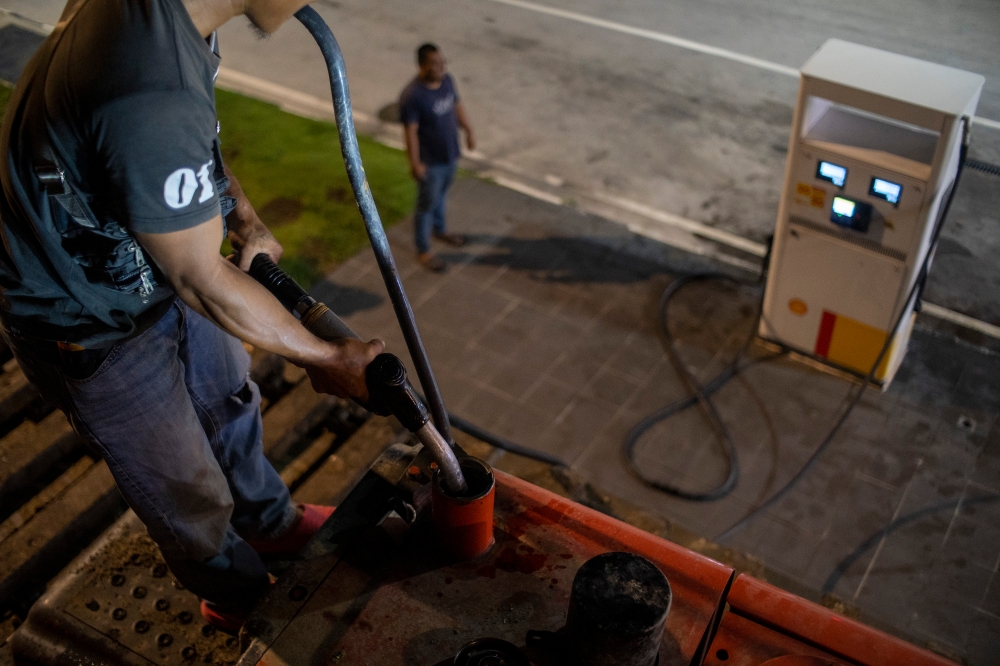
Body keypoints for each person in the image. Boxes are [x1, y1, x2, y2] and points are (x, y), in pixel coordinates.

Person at [0, 0, 384, 632]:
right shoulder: (149, 84)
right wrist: (325, 357)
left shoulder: (169, 22)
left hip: (156, 270)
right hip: (87, 318)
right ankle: (233, 594)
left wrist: (241, 214)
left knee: (230, 405)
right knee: (185, 487)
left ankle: (270, 526)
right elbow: (201, 278)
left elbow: (183, 141)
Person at [399, 43, 475, 273]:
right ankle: (424, 250)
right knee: (426, 206)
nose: (442, 67)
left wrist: (469, 130)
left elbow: (456, 105)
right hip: (430, 162)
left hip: (450, 154)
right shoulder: (413, 96)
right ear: (422, 65)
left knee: (441, 196)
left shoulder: (447, 81)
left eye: (443, 61)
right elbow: (410, 132)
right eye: (435, 63)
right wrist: (415, 163)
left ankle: (440, 230)